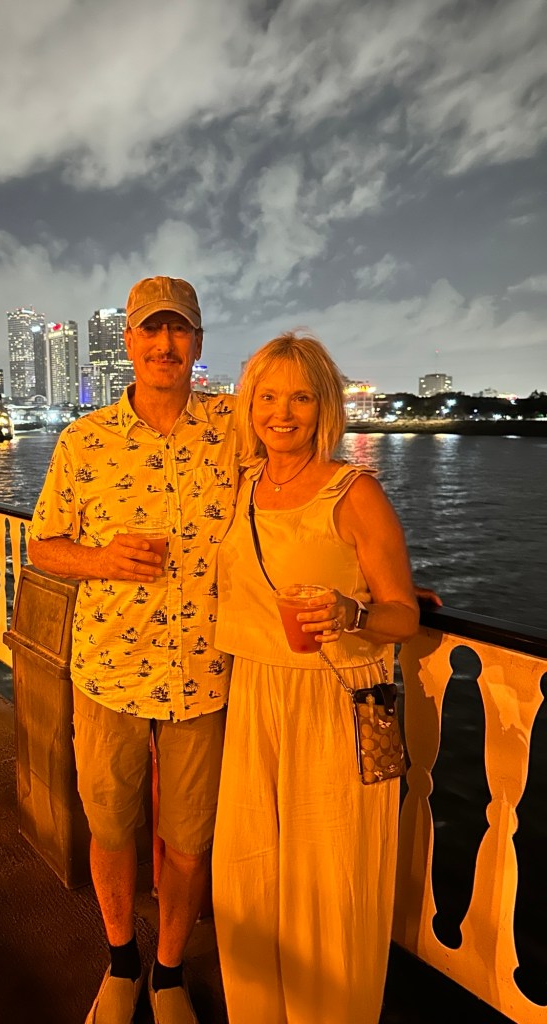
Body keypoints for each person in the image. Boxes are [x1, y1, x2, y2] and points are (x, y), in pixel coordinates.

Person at [27, 276, 239, 1024]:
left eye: (178, 329)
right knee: (112, 830)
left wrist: (371, 574)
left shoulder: (235, 428)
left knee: (188, 841)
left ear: (198, 343)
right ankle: (121, 962)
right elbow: (42, 546)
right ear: (128, 343)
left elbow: (301, 489)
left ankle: (170, 972)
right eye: (151, 329)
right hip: (109, 671)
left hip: (205, 673)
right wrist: (101, 559)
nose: (165, 343)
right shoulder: (84, 440)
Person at [210, 330, 420, 1023]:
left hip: (333, 704)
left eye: (301, 398)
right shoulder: (238, 486)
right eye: (268, 397)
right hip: (254, 694)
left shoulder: (353, 492)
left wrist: (351, 611)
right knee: (249, 877)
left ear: (324, 407)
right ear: (249, 406)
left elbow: (402, 615)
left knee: (328, 881)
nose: (283, 412)